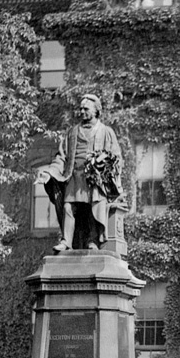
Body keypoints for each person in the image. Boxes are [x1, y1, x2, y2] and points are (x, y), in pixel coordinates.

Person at [35, 94, 122, 252]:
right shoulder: (72, 132)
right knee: (68, 206)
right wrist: (50, 172)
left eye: (86, 109)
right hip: (73, 177)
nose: (81, 111)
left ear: (96, 111)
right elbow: (62, 157)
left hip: (95, 180)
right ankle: (66, 241)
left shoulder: (106, 132)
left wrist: (103, 165)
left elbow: (115, 157)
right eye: (80, 108)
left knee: (92, 207)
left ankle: (93, 241)